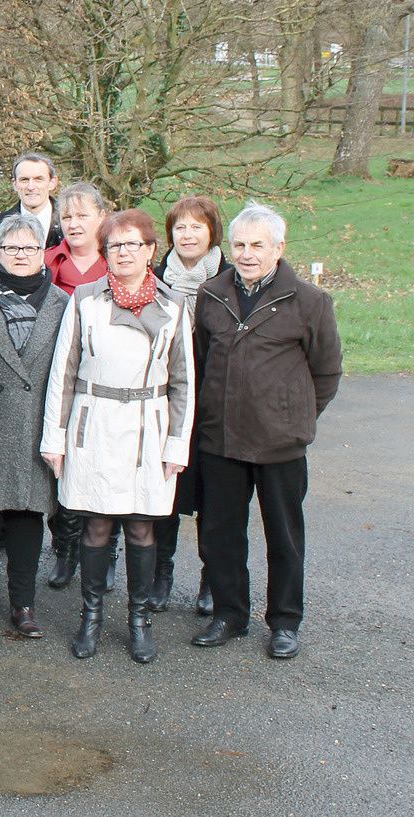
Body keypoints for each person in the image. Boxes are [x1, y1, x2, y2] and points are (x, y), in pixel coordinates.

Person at [40, 209, 195, 664]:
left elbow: (184, 380)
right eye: (115, 246)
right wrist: (56, 436)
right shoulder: (85, 300)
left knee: (143, 527)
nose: (123, 252)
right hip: (95, 424)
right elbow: (63, 373)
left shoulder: (173, 306)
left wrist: (176, 444)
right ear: (105, 252)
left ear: (150, 250)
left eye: (133, 244)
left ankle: (139, 620)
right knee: (96, 525)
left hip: (149, 427)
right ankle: (90, 616)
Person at [190, 203, 341, 660]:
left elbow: (326, 373)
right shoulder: (211, 294)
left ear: (279, 247)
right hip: (220, 440)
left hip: (280, 443)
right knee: (219, 532)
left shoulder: (310, 302)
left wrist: (294, 415)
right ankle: (229, 614)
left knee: (284, 534)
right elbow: (200, 362)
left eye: (258, 245)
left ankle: (284, 622)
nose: (248, 253)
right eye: (239, 244)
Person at [0, 216, 68, 642]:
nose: (20, 256)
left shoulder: (61, 303)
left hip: (36, 426)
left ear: (42, 253)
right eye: (11, 248)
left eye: (28, 248)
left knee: (27, 518)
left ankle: (24, 606)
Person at [149, 195, 233, 616]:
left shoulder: (231, 280)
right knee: (167, 492)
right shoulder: (154, 277)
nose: (187, 234)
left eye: (196, 226)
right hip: (165, 401)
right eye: (179, 227)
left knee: (214, 498)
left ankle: (209, 579)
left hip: (215, 405)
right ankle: (161, 575)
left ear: (212, 232)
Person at [42, 181, 114, 590]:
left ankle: (106, 555)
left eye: (82, 215)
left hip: (105, 381)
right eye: (66, 216)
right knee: (64, 468)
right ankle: (65, 549)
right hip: (58, 375)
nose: (73, 223)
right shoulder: (48, 261)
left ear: (101, 218)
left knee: (107, 469)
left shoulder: (117, 259)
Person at [0, 152, 63, 250]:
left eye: (38, 179)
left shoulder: (71, 224)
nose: (30, 187)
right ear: (15, 184)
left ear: (52, 182)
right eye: (24, 180)